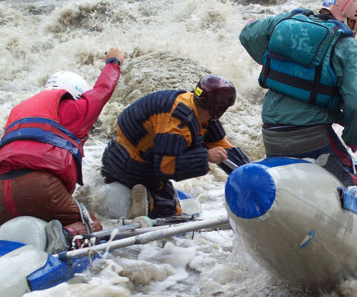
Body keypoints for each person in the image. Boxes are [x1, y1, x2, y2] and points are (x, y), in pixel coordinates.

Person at [239, 0, 357, 201]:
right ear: (353, 18)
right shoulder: (347, 45)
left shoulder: (286, 20)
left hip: (272, 133)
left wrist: (272, 61)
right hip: (311, 139)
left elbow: (248, 34)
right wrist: (354, 137)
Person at [0, 47, 125, 253]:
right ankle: (64, 237)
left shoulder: (18, 111)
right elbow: (103, 90)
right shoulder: (75, 108)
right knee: (90, 225)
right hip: (40, 186)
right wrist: (113, 62)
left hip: (2, 189)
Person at [101, 74, 250, 219]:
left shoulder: (193, 106)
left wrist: (251, 174)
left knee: (169, 199)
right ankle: (147, 203)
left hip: (136, 158)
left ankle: (147, 198)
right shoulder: (176, 123)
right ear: (219, 109)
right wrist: (206, 157)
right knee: (169, 209)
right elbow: (165, 167)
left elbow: (224, 149)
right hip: (128, 164)